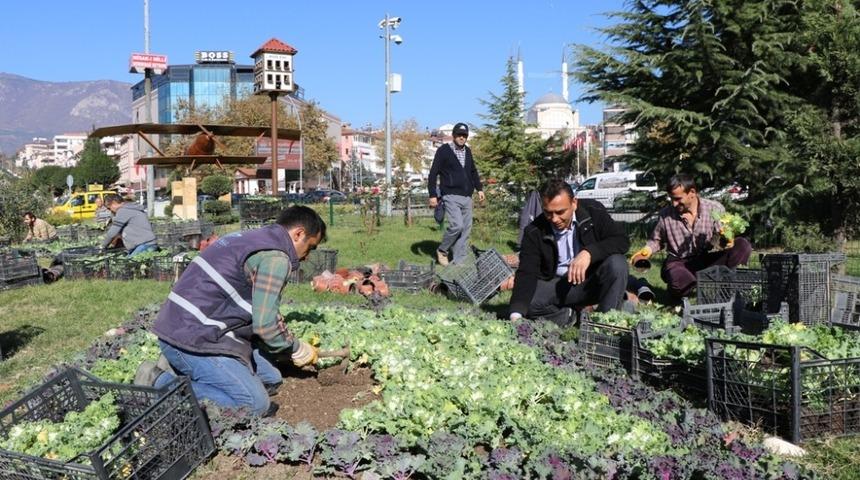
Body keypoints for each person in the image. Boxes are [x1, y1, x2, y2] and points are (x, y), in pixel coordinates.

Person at [136, 206, 326, 417]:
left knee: (271, 379)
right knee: (254, 405)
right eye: (310, 247)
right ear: (298, 234)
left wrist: (285, 344)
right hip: (195, 339)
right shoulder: (276, 258)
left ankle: (177, 366)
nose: (307, 256)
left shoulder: (253, 238)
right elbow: (266, 325)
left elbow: (263, 310)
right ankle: (159, 382)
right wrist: (296, 348)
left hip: (184, 327)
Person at [509, 179, 630, 326]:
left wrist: (589, 253)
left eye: (560, 212)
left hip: (593, 282)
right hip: (560, 285)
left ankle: (606, 323)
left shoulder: (593, 211)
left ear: (574, 203)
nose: (555, 219)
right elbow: (526, 272)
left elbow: (621, 240)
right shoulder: (534, 231)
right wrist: (516, 314)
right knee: (528, 301)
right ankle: (570, 315)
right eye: (548, 213)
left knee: (617, 264)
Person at [630, 173, 752, 302]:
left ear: (692, 193)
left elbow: (722, 234)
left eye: (678, 199)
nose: (674, 203)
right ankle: (679, 288)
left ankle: (728, 289)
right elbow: (656, 240)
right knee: (679, 281)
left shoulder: (714, 209)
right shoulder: (665, 215)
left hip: (707, 258)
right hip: (680, 262)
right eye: (671, 199)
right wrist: (646, 252)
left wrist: (727, 239)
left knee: (742, 245)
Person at [427, 122, 484, 265]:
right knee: (457, 226)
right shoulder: (444, 151)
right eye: (459, 135)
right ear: (453, 135)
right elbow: (433, 173)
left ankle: (460, 261)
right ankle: (442, 250)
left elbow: (473, 171)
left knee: (465, 230)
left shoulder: (468, 151)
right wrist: (432, 194)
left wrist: (479, 189)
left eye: (464, 135)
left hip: (467, 196)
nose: (462, 137)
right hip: (450, 195)